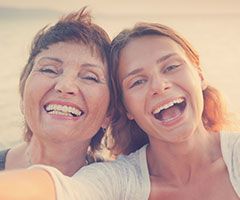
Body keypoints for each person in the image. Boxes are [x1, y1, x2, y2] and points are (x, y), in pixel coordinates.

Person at [0, 22, 239, 200]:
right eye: (137, 81)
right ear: (126, 109)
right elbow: (61, 189)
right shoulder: (118, 181)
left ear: (199, 75)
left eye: (172, 66)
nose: (159, 85)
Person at [0, 7, 111, 176]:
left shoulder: (121, 190)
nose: (65, 86)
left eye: (90, 77)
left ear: (109, 113)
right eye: (49, 70)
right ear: (23, 90)